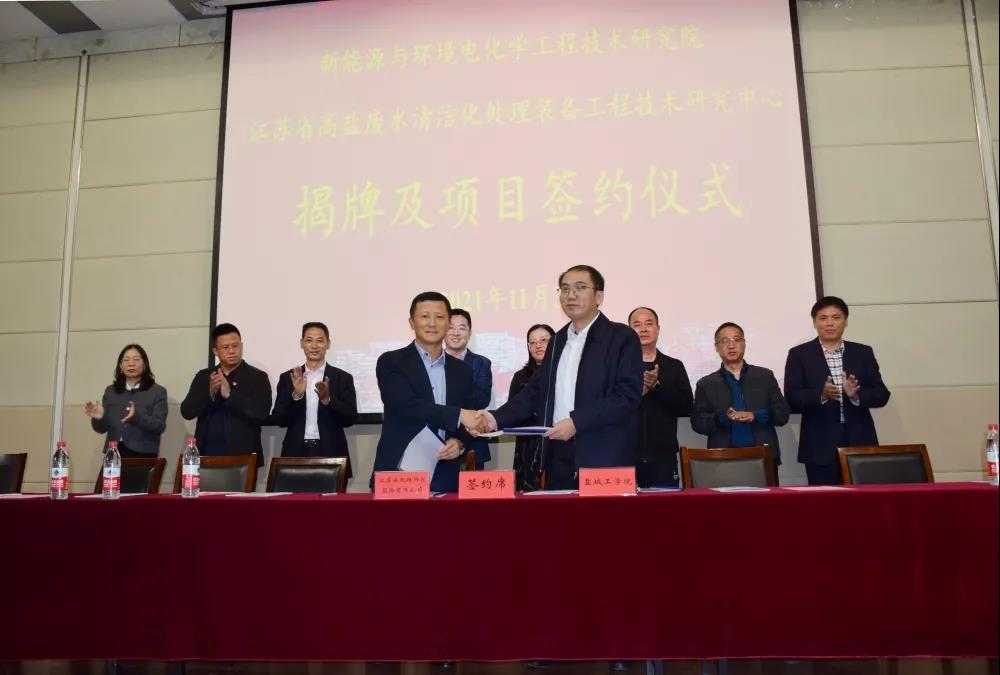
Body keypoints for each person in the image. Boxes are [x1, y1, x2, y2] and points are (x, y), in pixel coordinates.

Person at [478, 265, 643, 490]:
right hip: (558, 451)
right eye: (565, 289)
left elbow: (627, 396)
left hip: (604, 454)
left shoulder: (621, 337)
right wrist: (495, 418)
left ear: (599, 296)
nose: (570, 295)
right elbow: (535, 391)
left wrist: (577, 422)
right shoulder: (557, 340)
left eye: (580, 288)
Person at [372, 292, 482, 493]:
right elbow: (405, 406)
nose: (432, 323)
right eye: (424, 316)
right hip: (399, 474)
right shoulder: (391, 362)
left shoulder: (463, 370)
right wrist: (458, 415)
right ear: (412, 323)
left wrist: (459, 442)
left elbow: (469, 419)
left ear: (448, 323)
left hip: (445, 474)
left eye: (439, 317)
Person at [784, 296, 891, 485]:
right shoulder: (799, 354)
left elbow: (882, 394)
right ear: (814, 322)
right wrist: (822, 395)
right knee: (824, 500)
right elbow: (792, 398)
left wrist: (856, 395)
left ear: (845, 321)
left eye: (836, 317)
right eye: (823, 318)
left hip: (860, 440)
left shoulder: (862, 353)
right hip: (819, 444)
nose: (829, 323)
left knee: (863, 499)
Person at [691, 322, 789, 482]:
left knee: (767, 499)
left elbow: (782, 414)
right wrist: (722, 418)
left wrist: (755, 416)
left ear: (744, 343)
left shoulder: (765, 376)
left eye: (736, 340)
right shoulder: (706, 383)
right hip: (722, 460)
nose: (731, 346)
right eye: (724, 341)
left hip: (763, 457)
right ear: (716, 347)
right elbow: (697, 422)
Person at [270, 322, 358, 477]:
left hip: (331, 452)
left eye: (320, 340)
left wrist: (328, 399)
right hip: (296, 451)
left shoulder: (342, 378)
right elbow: (279, 419)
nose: (314, 346)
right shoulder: (288, 378)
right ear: (302, 343)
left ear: (328, 344)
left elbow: (350, 418)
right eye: (309, 340)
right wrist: (296, 395)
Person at [180, 323, 272, 467]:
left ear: (241, 346)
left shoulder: (257, 377)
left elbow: (261, 412)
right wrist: (210, 393)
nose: (231, 351)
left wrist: (230, 395)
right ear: (215, 351)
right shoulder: (204, 376)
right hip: (206, 455)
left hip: (244, 458)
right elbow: (187, 411)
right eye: (225, 347)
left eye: (235, 346)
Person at [628, 307, 693, 487]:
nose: (643, 329)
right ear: (629, 331)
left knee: (664, 505)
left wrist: (657, 387)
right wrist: (641, 391)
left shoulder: (674, 366)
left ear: (658, 329)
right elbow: (612, 406)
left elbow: (686, 407)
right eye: (637, 325)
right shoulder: (620, 366)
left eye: (649, 324)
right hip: (626, 454)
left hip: (663, 456)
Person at [84, 344, 168, 457]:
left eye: (136, 359)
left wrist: (136, 416)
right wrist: (99, 418)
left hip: (143, 453)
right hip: (113, 452)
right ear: (120, 366)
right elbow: (100, 429)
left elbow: (159, 426)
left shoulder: (157, 391)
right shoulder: (111, 391)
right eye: (126, 360)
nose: (131, 364)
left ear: (145, 364)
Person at [507, 323, 555, 491]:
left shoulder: (564, 373)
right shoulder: (520, 377)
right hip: (528, 447)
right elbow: (512, 412)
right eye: (532, 342)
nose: (538, 345)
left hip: (558, 443)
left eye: (543, 340)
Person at [444, 308, 493, 469]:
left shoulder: (482, 363)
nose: (456, 333)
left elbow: (481, 399)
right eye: (451, 327)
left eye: (462, 328)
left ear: (469, 333)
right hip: (438, 440)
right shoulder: (432, 362)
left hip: (473, 440)